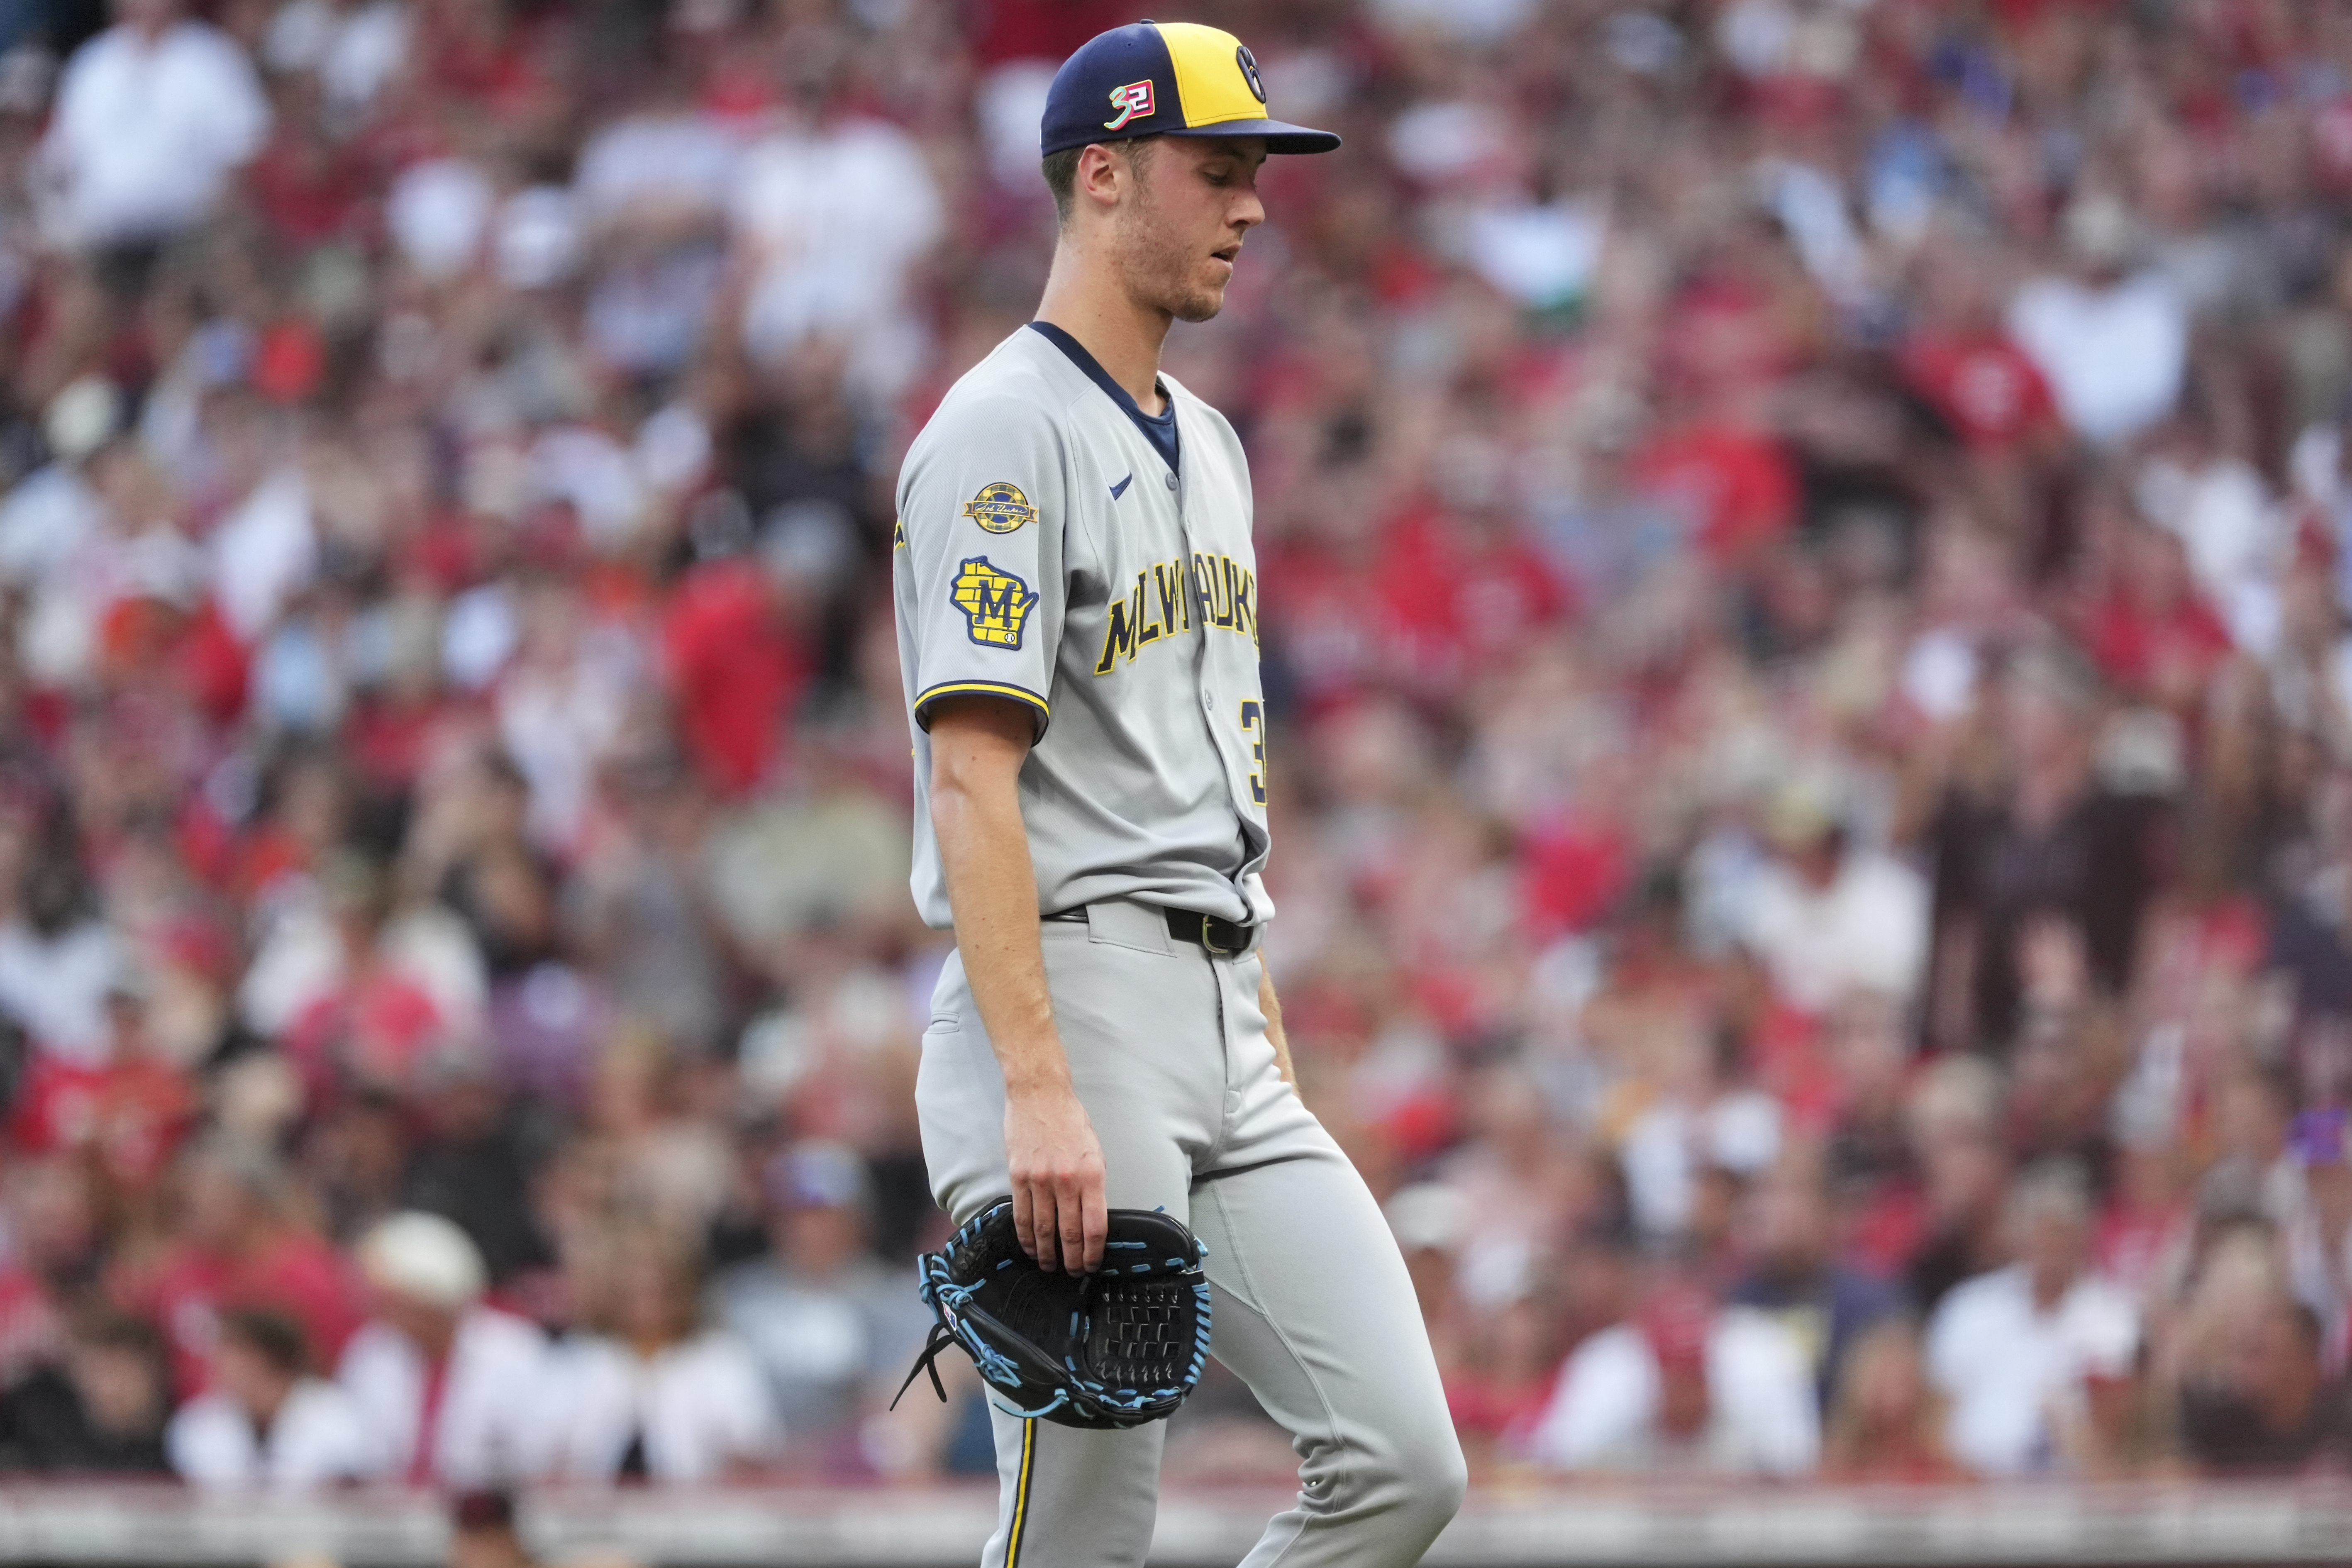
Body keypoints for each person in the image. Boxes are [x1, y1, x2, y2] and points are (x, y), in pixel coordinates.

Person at [891, 21, 1464, 1567]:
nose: (1251, 206)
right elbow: (969, 773)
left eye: (1253, 173)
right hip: (1072, 1000)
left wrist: (1248, 995)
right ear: (1102, 175)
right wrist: (1035, 1082)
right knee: (1082, 1529)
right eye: (1215, 171)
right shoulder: (1004, 428)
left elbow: (1196, 763)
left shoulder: (1208, 441)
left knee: (1400, 1464)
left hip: (1221, 1003)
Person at [710, 1143, 930, 1474]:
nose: (806, 1230)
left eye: (822, 1215)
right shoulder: (734, 1298)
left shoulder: (897, 1302)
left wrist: (810, 1458)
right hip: (747, 1477)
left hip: (854, 1478)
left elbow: (896, 1410)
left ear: (860, 1219)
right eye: (793, 1215)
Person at [1925, 1160, 2140, 1476]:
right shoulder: (1970, 1307)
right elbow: (1934, 1413)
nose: (2048, 1244)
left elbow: (2124, 1430)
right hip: (1969, 1489)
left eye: (2060, 1231)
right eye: (2038, 1230)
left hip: (2076, 1490)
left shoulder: (2117, 1317)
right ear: (2018, 1233)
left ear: (2084, 1236)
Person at [535, 1233, 780, 1484]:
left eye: (657, 1291)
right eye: (631, 1292)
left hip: (698, 1503)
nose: (645, 1305)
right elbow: (542, 1451)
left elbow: (754, 1447)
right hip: (591, 1503)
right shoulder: (580, 1358)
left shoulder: (721, 1358)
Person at [336, 1211, 547, 1487]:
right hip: (390, 1506)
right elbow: (355, 1445)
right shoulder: (371, 1351)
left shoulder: (515, 1349)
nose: (386, 1312)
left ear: (428, 1297)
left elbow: (535, 1450)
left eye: (397, 1301)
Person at [1518, 1285, 1819, 1477]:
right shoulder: (1616, 1404)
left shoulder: (1748, 1412)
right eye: (1676, 1380)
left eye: (1693, 1380)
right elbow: (1555, 1467)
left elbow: (1799, 1472)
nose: (1685, 1392)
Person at [166, 1306, 375, 1490]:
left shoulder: (338, 1416)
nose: (220, 1365)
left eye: (236, 1352)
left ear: (271, 1358)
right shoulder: (198, 1422)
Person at [0, 1310, 172, 1474]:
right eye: (100, 1372)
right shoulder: (38, 1412)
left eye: (125, 1373)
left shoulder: (178, 1444)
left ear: (153, 1374)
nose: (111, 1387)